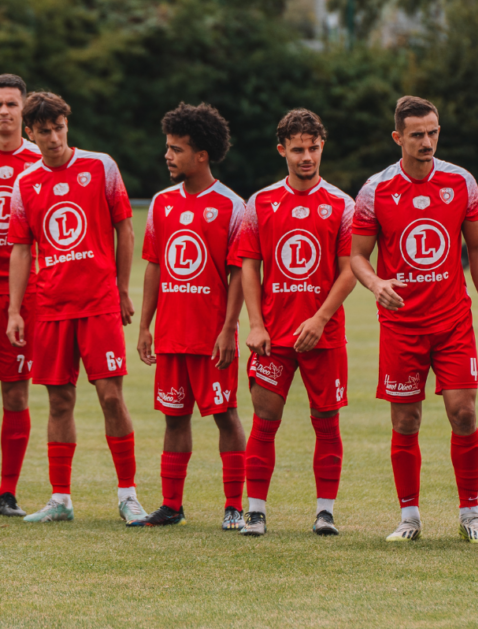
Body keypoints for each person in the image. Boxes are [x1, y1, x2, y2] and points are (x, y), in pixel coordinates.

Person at [351, 96, 478, 544]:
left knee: (464, 413)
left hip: (452, 320)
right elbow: (357, 256)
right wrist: (376, 284)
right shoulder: (375, 189)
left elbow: (477, 247)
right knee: (406, 421)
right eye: (417, 134)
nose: (427, 141)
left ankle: (470, 514)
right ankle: (409, 517)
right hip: (401, 325)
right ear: (398, 138)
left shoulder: (461, 182)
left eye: (433, 132)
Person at [6, 92, 145, 523]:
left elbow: (125, 229)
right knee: (59, 401)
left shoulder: (100, 166)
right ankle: (60, 498)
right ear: (31, 133)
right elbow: (21, 250)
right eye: (43, 131)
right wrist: (15, 310)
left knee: (110, 397)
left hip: (99, 303)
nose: (53, 138)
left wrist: (122, 289)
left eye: (59, 128)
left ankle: (127, 495)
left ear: (68, 124)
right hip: (49, 307)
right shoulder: (25, 183)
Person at [233, 108, 355, 537]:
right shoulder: (260, 203)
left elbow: (349, 269)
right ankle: (256, 511)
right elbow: (249, 266)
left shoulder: (342, 204)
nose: (307, 157)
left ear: (323, 147)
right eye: (298, 149)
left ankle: (325, 512)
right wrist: (256, 324)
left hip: (324, 335)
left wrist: (320, 320)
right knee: (265, 420)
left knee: (327, 421)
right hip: (274, 336)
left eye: (314, 148)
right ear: (282, 150)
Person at [131, 103, 247, 530]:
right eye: (168, 148)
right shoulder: (161, 204)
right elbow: (155, 267)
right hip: (172, 335)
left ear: (202, 155)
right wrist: (145, 325)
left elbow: (238, 273)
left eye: (176, 149)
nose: (168, 156)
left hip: (211, 335)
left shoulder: (233, 205)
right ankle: (171, 505)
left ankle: (234, 505)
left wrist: (229, 329)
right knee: (173, 416)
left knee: (225, 414)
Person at [0, 74, 39, 518]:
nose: (5, 111)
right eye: (1, 104)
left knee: (15, 392)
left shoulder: (36, 164)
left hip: (22, 294)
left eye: (12, 104)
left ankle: (7, 491)